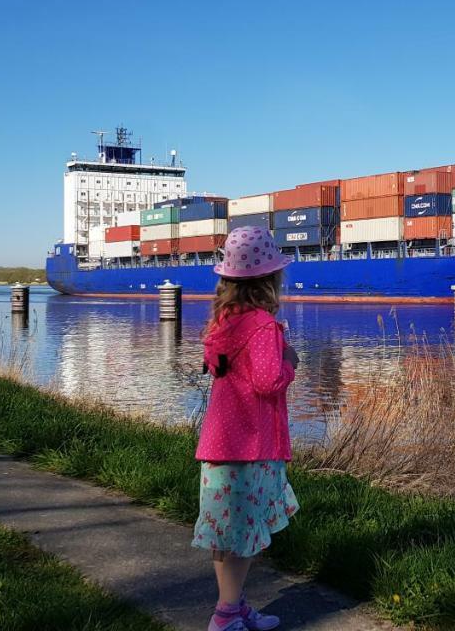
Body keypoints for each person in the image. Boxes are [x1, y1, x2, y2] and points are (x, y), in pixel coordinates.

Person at [193, 226, 299, 631]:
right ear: (271, 279)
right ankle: (225, 615)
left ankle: (232, 606)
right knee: (244, 534)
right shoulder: (262, 326)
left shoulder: (223, 322)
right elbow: (268, 382)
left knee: (226, 532)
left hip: (219, 445)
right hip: (250, 446)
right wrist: (290, 360)